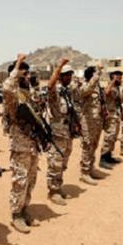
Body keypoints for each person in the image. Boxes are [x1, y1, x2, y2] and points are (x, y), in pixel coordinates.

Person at [2, 54, 42, 233]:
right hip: (20, 143)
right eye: (23, 75)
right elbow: (7, 87)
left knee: (31, 179)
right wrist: (17, 66)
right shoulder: (13, 95)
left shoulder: (29, 93)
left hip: (33, 142)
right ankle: (16, 214)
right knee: (20, 179)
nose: (27, 77)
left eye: (28, 74)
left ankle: (25, 209)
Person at [45, 59, 78, 205]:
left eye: (70, 74)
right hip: (58, 132)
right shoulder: (56, 91)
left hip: (68, 131)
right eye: (66, 75)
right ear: (59, 76)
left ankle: (58, 186)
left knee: (64, 162)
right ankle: (53, 191)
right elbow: (49, 86)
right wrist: (58, 67)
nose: (69, 77)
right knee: (55, 162)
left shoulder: (67, 91)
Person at [76, 65, 107, 186]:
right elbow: (86, 90)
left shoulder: (98, 89)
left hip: (97, 121)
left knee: (94, 145)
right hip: (87, 122)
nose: (98, 76)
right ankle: (84, 173)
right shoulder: (85, 86)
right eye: (95, 74)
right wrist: (98, 72)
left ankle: (90, 168)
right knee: (87, 145)